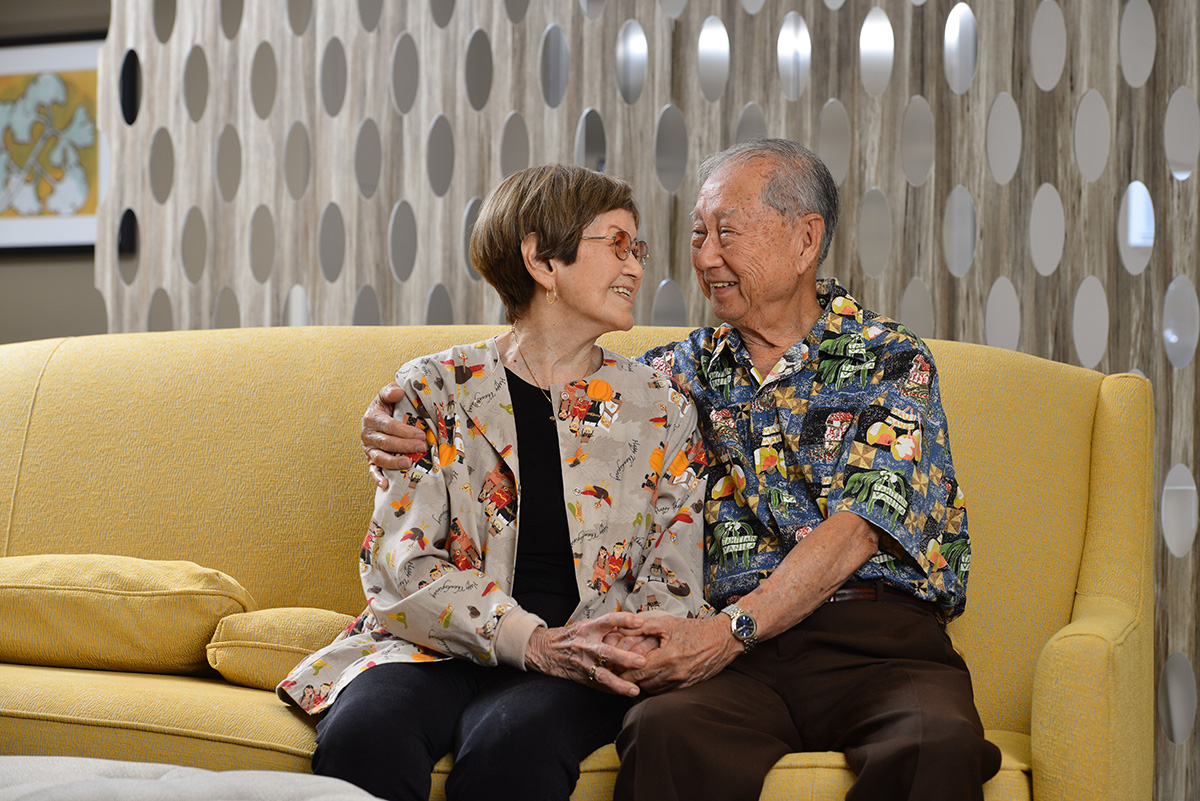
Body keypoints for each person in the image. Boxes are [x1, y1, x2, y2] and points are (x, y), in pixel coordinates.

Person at [361, 140, 1002, 801]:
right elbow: (549, 392)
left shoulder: (891, 359)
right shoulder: (674, 377)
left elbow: (860, 529)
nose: (703, 256)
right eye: (697, 233)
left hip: (873, 641)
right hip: (733, 664)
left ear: (804, 239)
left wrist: (729, 630)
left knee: (934, 743)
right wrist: (386, 426)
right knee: (665, 730)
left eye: (725, 231)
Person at [279, 164, 712, 801]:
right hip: (432, 647)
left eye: (637, 248)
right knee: (367, 731)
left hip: (582, 657)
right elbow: (400, 570)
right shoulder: (434, 387)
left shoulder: (663, 408)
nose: (636, 268)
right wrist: (528, 641)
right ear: (542, 259)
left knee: (514, 743)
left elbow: (672, 577)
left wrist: (610, 651)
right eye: (616, 244)